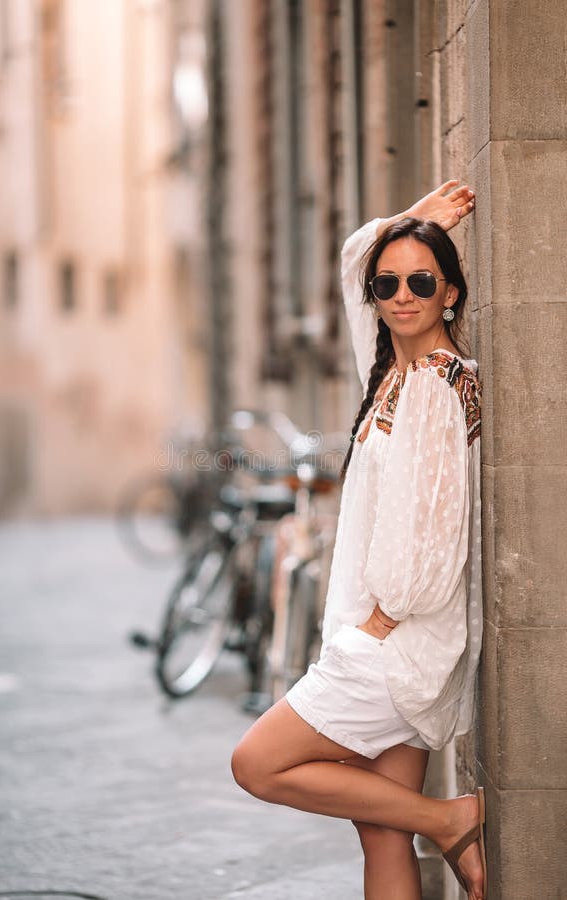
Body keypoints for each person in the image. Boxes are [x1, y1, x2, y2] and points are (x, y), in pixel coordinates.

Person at [231, 181, 487, 900]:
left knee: (257, 764)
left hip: (394, 648)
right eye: (388, 283)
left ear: (451, 294)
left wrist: (379, 622)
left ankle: (451, 818)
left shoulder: (434, 389)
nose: (401, 294)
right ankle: (437, 821)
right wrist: (414, 221)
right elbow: (352, 262)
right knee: (381, 832)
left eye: (421, 281)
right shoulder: (397, 373)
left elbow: (431, 533)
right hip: (398, 644)